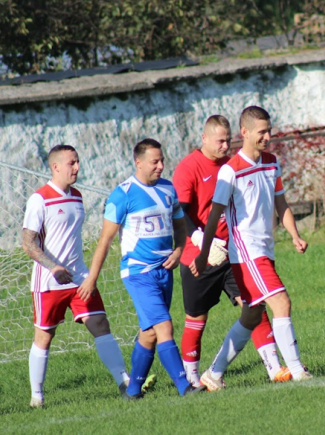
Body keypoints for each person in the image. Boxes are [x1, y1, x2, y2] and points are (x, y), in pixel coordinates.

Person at [192, 106, 312, 390]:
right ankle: (296, 371)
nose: (268, 137)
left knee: (251, 315)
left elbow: (281, 203)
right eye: (262, 132)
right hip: (246, 254)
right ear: (244, 132)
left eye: (269, 130)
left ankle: (213, 374)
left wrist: (294, 235)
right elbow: (213, 216)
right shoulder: (229, 171)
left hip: (265, 249)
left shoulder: (272, 162)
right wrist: (203, 252)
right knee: (281, 302)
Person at [172, 115, 291, 387]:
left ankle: (275, 368)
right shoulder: (188, 168)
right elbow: (179, 213)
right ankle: (193, 379)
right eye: (220, 141)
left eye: (229, 139)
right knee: (196, 319)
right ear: (204, 139)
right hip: (198, 257)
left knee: (254, 305)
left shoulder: (232, 164)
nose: (226, 145)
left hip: (234, 253)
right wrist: (202, 240)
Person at [84, 138, 200, 399]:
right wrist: (92, 278)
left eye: (162, 161)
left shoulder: (169, 190)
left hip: (164, 271)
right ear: (138, 162)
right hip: (138, 273)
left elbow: (180, 228)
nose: (160, 166)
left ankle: (133, 390)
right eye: (154, 161)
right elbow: (105, 240)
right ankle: (185, 387)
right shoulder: (123, 194)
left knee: (149, 333)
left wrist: (178, 251)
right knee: (165, 327)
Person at [21, 145, 129, 408]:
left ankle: (125, 384)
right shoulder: (40, 199)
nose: (77, 167)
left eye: (78, 162)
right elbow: (28, 243)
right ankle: (37, 397)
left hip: (79, 277)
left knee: (100, 324)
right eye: (72, 163)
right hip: (49, 282)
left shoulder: (77, 196)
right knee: (44, 337)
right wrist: (53, 267)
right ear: (55, 167)